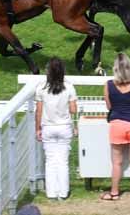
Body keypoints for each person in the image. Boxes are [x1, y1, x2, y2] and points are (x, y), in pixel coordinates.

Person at [100, 52, 130, 201]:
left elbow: (109, 106)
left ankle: (114, 192)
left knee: (116, 162)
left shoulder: (108, 85)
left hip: (117, 123)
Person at [34, 57, 78, 200]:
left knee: (50, 161)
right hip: (64, 126)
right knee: (63, 161)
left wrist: (37, 129)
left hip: (48, 127)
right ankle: (63, 192)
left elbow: (38, 111)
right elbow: (73, 110)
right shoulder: (69, 87)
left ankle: (51, 193)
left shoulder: (41, 88)